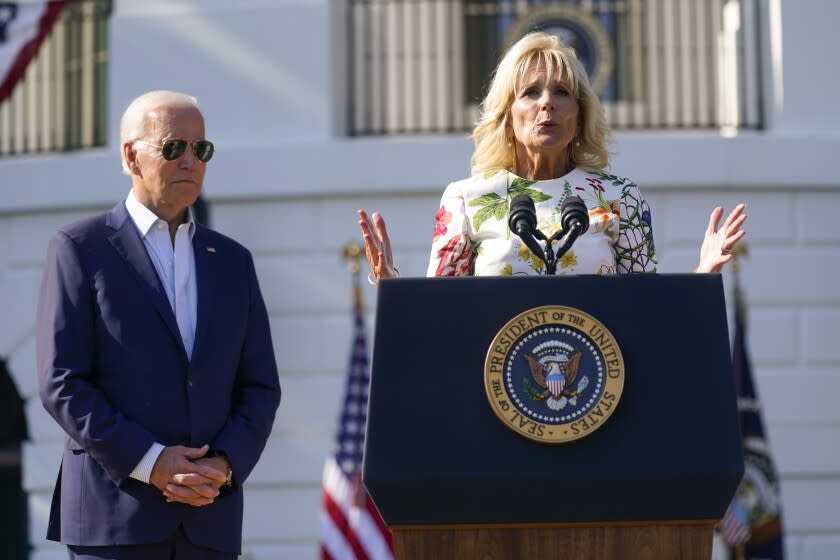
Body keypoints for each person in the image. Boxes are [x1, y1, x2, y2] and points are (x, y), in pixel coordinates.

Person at [36, 90, 281, 559]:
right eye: (173, 148)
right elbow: (62, 383)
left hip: (209, 522)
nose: (191, 161)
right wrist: (152, 463)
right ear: (131, 155)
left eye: (201, 149)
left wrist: (222, 467)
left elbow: (260, 387)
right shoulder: (79, 248)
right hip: (114, 522)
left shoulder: (232, 261)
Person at [358, 32, 746, 280]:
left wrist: (702, 275)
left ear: (580, 115)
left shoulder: (620, 197)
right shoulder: (466, 199)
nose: (547, 104)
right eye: (530, 92)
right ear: (507, 115)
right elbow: (436, 315)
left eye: (562, 92)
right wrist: (393, 287)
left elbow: (649, 310)